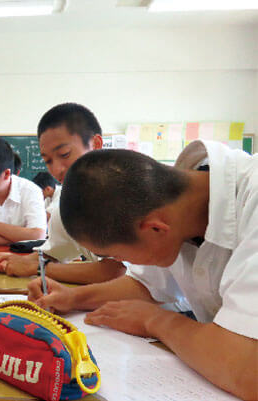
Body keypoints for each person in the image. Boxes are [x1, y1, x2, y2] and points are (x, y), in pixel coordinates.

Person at [29, 142, 258, 399]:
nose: (118, 261)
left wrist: (155, 320)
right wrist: (74, 299)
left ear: (156, 229)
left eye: (115, 255)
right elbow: (145, 285)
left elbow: (248, 371)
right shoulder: (176, 205)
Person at [0, 103, 126, 283]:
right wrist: (20, 261)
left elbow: (116, 271)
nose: (57, 169)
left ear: (96, 145)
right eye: (48, 161)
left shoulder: (124, 194)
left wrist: (39, 268)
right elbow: (52, 254)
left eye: (65, 154)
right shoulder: (69, 205)